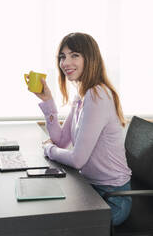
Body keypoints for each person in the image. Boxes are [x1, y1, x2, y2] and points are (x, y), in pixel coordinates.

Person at [32, 32, 132, 226]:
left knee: (56, 226)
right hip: (89, 189)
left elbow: (77, 160)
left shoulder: (97, 95)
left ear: (90, 58)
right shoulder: (82, 95)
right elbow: (61, 140)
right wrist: (48, 101)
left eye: (74, 55)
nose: (65, 62)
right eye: (62, 56)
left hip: (112, 197)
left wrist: (48, 149)